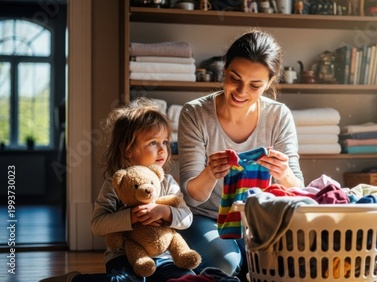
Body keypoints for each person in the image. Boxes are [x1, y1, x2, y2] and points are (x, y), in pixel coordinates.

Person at [176, 29, 305, 277]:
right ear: (224, 70)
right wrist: (211, 173)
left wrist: (285, 174)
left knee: (285, 262)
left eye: (255, 85)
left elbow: (298, 189)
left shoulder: (279, 116)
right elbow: (192, 197)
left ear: (269, 83)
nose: (241, 91)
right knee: (226, 262)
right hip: (206, 218)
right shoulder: (195, 113)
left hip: (260, 219)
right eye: (234, 78)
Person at [40, 98, 196, 282]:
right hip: (124, 257)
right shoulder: (116, 184)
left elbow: (187, 218)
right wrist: (131, 217)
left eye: (165, 142)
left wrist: (165, 211)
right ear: (128, 149)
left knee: (188, 279)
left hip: (164, 257)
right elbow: (98, 224)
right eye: (153, 143)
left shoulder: (167, 182)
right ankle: (73, 280)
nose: (163, 150)